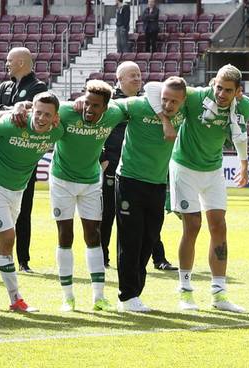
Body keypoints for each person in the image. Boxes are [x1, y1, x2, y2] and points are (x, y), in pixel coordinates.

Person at [147, 65, 249, 313]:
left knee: (219, 226)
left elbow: (239, 135)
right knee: (192, 226)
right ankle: (185, 290)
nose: (221, 94)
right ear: (213, 82)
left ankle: (219, 293)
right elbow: (152, 88)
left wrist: (244, 164)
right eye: (219, 87)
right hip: (184, 167)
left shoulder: (244, 106)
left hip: (213, 169)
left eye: (228, 90)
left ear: (238, 91)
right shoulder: (194, 96)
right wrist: (165, 121)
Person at [0, 92, 63, 312]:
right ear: (31, 111)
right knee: (7, 237)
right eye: (38, 112)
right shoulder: (12, 123)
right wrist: (15, 107)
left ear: (55, 117)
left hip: (17, 189)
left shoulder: (57, 131)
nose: (41, 118)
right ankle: (16, 299)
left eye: (47, 115)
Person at [110, 77, 187, 312]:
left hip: (157, 183)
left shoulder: (187, 110)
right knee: (130, 240)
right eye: (165, 99)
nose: (168, 105)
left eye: (174, 101)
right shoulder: (138, 105)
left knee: (148, 240)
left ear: (183, 101)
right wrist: (164, 119)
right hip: (129, 180)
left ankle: (135, 294)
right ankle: (127, 296)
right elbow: (115, 103)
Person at [50, 80, 125, 312]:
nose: (89, 109)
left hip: (91, 182)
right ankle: (68, 297)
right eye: (87, 103)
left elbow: (136, 105)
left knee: (93, 235)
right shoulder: (66, 111)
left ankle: (98, 297)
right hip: (62, 180)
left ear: (106, 107)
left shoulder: (114, 114)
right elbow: (40, 106)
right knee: (65, 235)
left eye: (95, 105)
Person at [100, 62, 177, 271]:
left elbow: (155, 87)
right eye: (132, 75)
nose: (137, 78)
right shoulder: (111, 102)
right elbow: (98, 128)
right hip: (113, 164)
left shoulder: (150, 101)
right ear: (119, 79)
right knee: (107, 213)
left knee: (147, 217)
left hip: (141, 168)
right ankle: (103, 257)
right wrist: (102, 156)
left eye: (138, 74)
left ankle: (158, 258)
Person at [0, 47, 47, 273]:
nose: (6, 64)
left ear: (21, 62)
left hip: (25, 160)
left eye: (9, 60)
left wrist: (9, 111)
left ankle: (22, 261)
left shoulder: (38, 87)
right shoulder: (4, 87)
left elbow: (30, 117)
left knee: (22, 211)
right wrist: (12, 111)